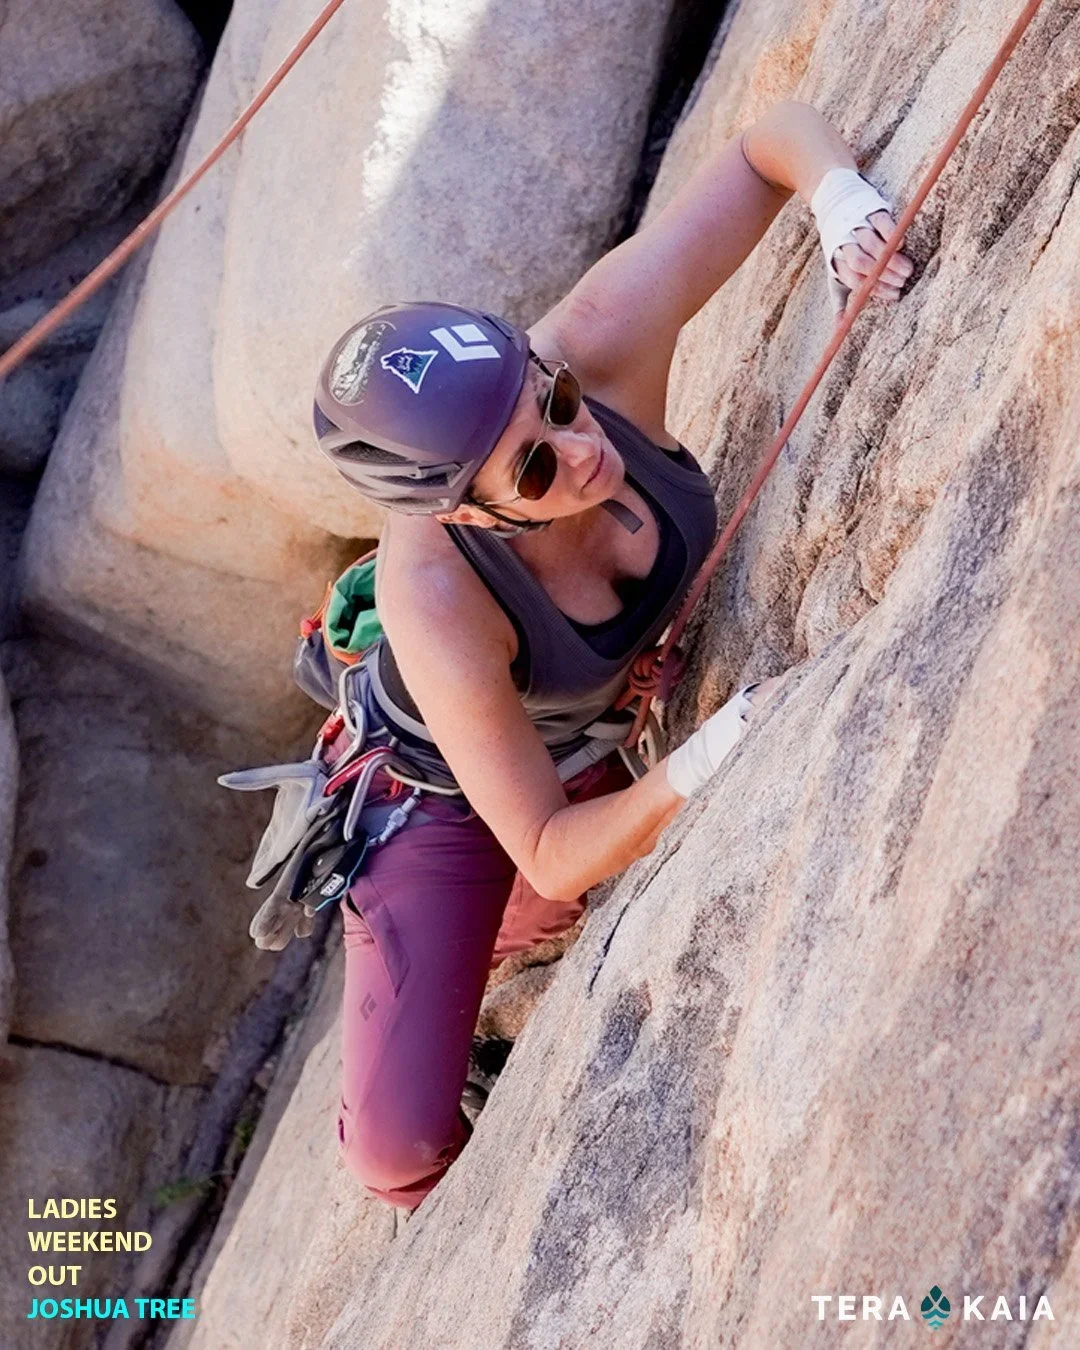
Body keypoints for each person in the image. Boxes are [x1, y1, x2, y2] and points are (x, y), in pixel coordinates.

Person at [307, 100, 914, 1210]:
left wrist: (842, 202)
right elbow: (543, 843)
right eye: (533, 471)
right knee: (394, 1153)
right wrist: (695, 769)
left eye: (558, 402)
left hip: (577, 737)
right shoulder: (438, 606)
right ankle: (434, 934)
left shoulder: (591, 334)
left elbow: (763, 144)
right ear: (468, 519)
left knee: (574, 876)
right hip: (441, 792)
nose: (584, 451)